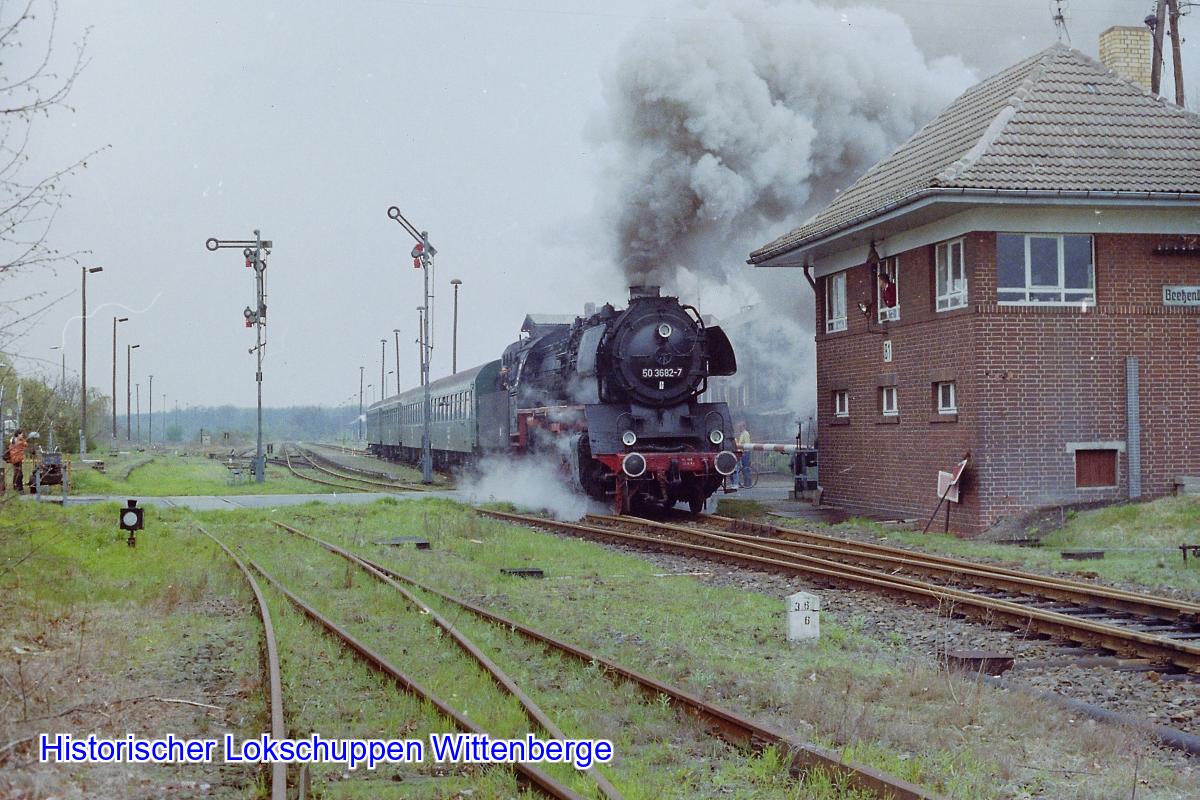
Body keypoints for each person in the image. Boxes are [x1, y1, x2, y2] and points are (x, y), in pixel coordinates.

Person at [733, 421, 752, 489]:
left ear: (743, 427)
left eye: (740, 427)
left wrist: (743, 451)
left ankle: (748, 483)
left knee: (746, 468)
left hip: (745, 453)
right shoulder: (742, 434)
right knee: (744, 468)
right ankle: (746, 483)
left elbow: (747, 444)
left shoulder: (746, 434)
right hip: (743, 452)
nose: (739, 428)